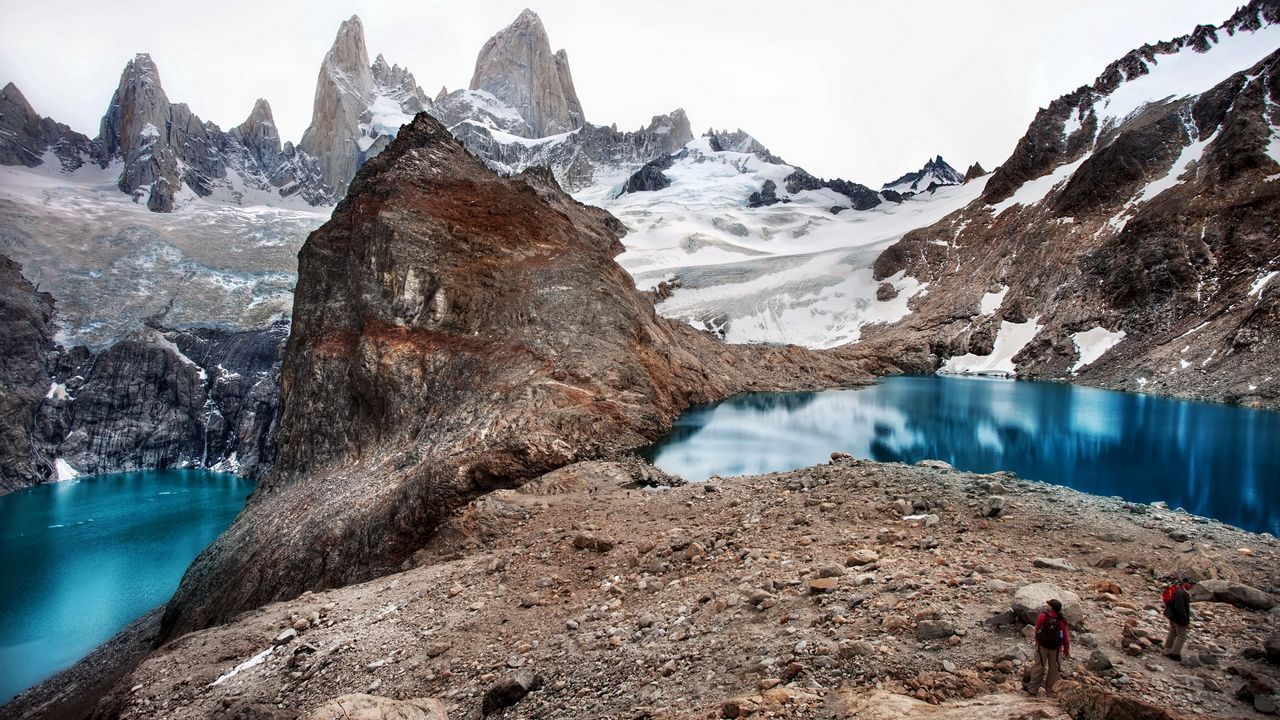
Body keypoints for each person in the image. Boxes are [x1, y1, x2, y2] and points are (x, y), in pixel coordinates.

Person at [1028, 598, 1070, 697]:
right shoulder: (1061, 620)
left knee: (1039, 667)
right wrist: (1066, 650)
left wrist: (1037, 642)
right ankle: (1050, 693)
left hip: (1042, 646)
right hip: (1055, 649)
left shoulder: (1043, 616)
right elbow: (1065, 637)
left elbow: (1037, 630)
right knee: (1054, 671)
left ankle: (1032, 691)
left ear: (1051, 607)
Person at [1162, 576, 1194, 661]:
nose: (1191, 586)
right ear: (1184, 583)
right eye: (1190, 583)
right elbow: (1180, 608)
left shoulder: (1178, 589)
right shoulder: (1181, 592)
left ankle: (1167, 649)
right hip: (1177, 617)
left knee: (1173, 631)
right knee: (1182, 636)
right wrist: (1185, 621)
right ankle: (1174, 654)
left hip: (1171, 614)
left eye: (1192, 584)